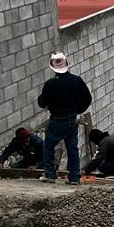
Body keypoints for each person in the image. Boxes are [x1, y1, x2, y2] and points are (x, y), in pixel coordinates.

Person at [37, 51, 92, 185]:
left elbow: (42, 103)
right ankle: (74, 178)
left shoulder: (51, 84)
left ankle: (50, 175)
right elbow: (87, 98)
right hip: (71, 120)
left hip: (56, 120)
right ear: (67, 64)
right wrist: (78, 110)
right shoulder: (76, 80)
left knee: (49, 147)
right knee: (72, 149)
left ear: (52, 67)